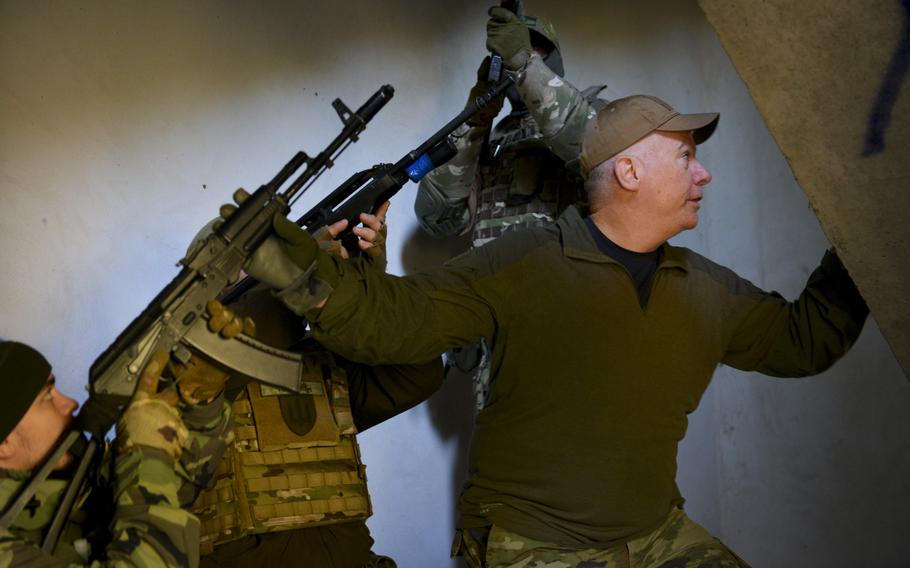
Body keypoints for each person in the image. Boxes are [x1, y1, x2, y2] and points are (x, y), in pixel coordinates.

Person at [232, 94, 870, 567]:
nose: (703, 174)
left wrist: (866, 245)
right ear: (629, 174)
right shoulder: (526, 260)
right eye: (686, 158)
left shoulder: (704, 287)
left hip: (652, 535)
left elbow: (804, 340)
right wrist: (291, 262)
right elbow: (393, 324)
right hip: (533, 545)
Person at [192, 205, 445, 568]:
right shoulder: (180, 370)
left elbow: (419, 372)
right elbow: (242, 343)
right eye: (259, 266)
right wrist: (304, 288)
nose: (271, 275)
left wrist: (360, 292)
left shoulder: (318, 360)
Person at [415, 6, 605, 411]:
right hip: (496, 341)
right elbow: (437, 216)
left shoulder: (594, 117)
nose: (520, 68)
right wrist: (478, 113)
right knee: (501, 466)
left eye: (533, 54)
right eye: (513, 56)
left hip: (568, 332)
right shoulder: (490, 140)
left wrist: (524, 65)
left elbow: (594, 153)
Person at [0, 334, 235, 566]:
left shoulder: (67, 480)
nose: (70, 403)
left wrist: (194, 397)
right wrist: (149, 456)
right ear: (4, 445)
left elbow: (176, 488)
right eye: (48, 397)